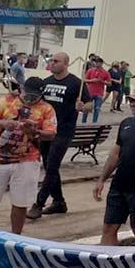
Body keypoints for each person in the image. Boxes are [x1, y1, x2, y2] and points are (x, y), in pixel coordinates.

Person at [0, 77, 57, 234]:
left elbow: (51, 133)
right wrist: (5, 123)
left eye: (35, 96)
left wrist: (35, 132)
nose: (30, 98)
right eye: (27, 94)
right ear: (22, 89)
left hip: (27, 160)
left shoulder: (46, 108)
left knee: (20, 202)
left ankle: (16, 236)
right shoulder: (7, 100)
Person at [93, 87, 135, 244]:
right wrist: (102, 179)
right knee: (109, 226)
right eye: (131, 100)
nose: (133, 104)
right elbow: (115, 153)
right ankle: (108, 264)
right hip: (120, 183)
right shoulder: (126, 123)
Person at [27, 52, 91, 220]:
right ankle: (59, 202)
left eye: (57, 61)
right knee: (49, 167)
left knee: (52, 166)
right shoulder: (46, 82)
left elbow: (90, 104)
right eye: (52, 61)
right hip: (46, 132)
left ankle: (39, 203)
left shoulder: (77, 83)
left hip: (63, 132)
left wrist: (83, 106)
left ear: (66, 63)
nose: (53, 63)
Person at [81, 57, 111, 123]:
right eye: (96, 62)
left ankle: (94, 122)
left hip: (99, 93)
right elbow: (84, 80)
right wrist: (92, 80)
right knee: (87, 108)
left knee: (97, 109)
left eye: (99, 62)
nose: (97, 64)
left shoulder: (105, 72)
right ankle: (83, 121)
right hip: (90, 92)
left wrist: (102, 81)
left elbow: (109, 83)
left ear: (102, 63)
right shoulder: (90, 70)